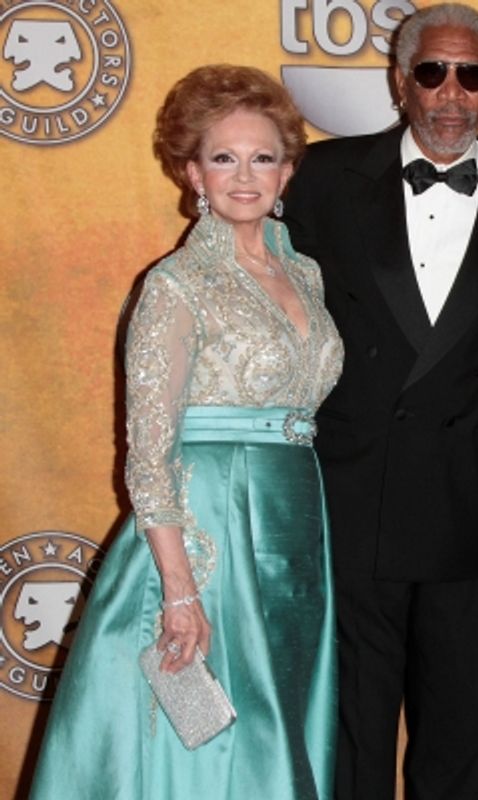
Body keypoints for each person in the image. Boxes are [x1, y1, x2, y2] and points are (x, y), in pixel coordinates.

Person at [29, 65, 342, 799]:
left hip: (295, 528)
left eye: (263, 157)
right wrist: (179, 587)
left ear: (288, 169)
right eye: (223, 157)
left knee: (279, 718)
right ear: (191, 170)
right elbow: (148, 451)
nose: (244, 175)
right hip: (208, 536)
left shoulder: (308, 276)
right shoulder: (173, 285)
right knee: (210, 737)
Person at [282, 4, 478, 797]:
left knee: (455, 732)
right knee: (351, 731)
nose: (450, 93)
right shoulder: (323, 179)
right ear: (400, 81)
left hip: (467, 504)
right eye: (431, 72)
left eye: (469, 75)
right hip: (350, 495)